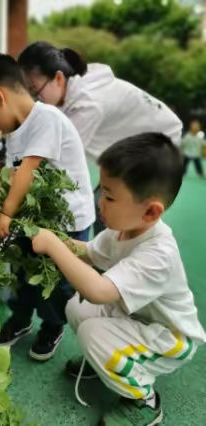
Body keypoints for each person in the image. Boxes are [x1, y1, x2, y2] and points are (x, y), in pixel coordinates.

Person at [31, 133, 206, 425]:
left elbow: (98, 289)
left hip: (171, 337)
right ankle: (110, 364)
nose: (100, 202)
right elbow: (88, 252)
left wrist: (52, 245)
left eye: (110, 196)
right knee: (76, 307)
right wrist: (49, 236)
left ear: (150, 211)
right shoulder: (121, 231)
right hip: (138, 318)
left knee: (91, 332)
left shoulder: (157, 253)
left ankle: (144, 401)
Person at [0, 52, 95, 361]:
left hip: (67, 222)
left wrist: (6, 214)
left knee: (54, 283)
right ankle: (21, 319)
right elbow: (8, 182)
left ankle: (53, 325)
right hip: (33, 219)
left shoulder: (46, 118)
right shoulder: (13, 135)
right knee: (22, 272)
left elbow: (27, 172)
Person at [18, 41, 183, 234]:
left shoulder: (88, 104)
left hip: (157, 143)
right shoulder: (74, 89)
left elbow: (58, 157)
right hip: (135, 141)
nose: (33, 97)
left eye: (34, 89)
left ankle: (125, 258)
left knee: (111, 210)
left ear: (59, 78)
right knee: (105, 206)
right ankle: (107, 257)